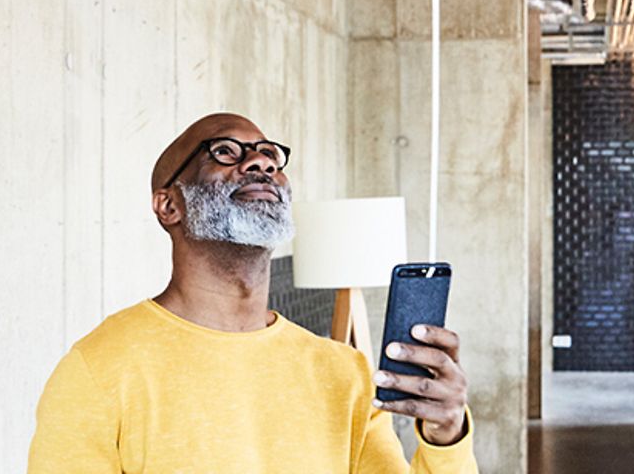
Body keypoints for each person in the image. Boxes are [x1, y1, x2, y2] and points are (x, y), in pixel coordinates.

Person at [26, 112, 478, 474]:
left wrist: (445, 435)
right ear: (169, 205)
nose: (261, 163)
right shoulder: (97, 370)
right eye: (224, 152)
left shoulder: (345, 374)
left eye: (270, 158)